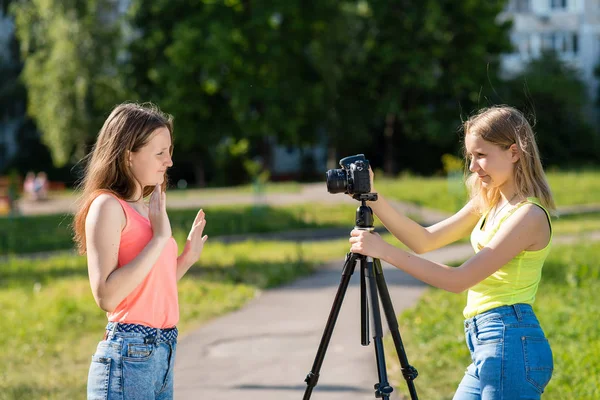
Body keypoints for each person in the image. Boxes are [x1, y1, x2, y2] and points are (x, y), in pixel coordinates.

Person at [349, 105, 555, 399]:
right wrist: (372, 195)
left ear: (514, 152)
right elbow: (424, 240)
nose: (473, 167)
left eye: (481, 155)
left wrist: (384, 251)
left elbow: (459, 280)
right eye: (471, 156)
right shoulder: (490, 202)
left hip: (510, 341)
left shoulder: (529, 216)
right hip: (489, 342)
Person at [72, 102, 209, 400]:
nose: (169, 162)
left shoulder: (148, 209)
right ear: (127, 155)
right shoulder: (107, 207)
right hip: (129, 355)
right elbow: (107, 296)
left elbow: (147, 285)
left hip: (163, 351)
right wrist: (159, 239)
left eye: (169, 151)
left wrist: (187, 258)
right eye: (160, 153)